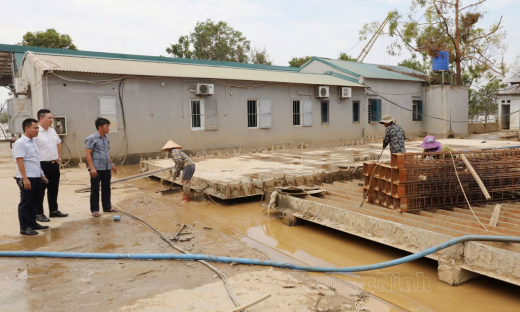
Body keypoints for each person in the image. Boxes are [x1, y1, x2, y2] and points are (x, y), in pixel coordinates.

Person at [12, 118, 50, 235]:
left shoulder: (33, 141)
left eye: (38, 128)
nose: (37, 130)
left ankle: (33, 223)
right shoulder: (20, 143)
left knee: (35, 201)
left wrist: (41, 173)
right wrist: (24, 178)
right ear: (26, 128)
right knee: (26, 202)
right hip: (27, 177)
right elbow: (20, 161)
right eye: (35, 128)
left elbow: (35, 160)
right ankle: (24, 227)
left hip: (36, 176)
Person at [33, 109, 68, 222]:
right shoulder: (36, 132)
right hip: (41, 165)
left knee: (53, 188)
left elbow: (58, 144)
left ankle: (53, 211)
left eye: (52, 118)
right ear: (41, 119)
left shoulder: (52, 131)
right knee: (40, 190)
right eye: (49, 118)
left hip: (53, 164)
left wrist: (58, 158)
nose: (51, 120)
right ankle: (38, 214)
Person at [85, 117, 117, 217]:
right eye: (107, 126)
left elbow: (107, 152)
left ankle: (107, 207)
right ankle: (95, 210)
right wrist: (92, 168)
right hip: (97, 168)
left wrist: (112, 164)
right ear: (100, 127)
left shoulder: (106, 138)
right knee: (95, 188)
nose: (108, 129)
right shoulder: (91, 138)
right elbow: (88, 154)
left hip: (106, 167)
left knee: (106, 187)